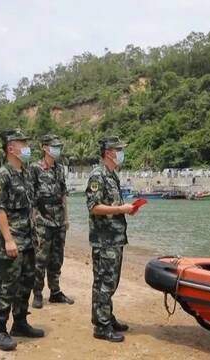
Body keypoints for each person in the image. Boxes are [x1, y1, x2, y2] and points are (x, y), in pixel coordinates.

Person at [0, 129, 44, 351]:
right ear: (11, 148)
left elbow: (30, 206)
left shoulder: (27, 173)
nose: (27, 147)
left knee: (26, 282)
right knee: (5, 285)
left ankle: (20, 323)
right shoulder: (2, 175)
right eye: (23, 143)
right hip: (11, 242)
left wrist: (35, 231)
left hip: (28, 240)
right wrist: (9, 240)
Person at [85, 135, 133, 342]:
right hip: (104, 240)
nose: (121, 153)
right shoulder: (98, 176)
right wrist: (121, 208)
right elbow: (94, 207)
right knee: (104, 282)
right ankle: (102, 327)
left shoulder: (112, 175)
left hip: (115, 238)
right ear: (108, 153)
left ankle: (105, 316)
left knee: (111, 281)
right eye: (118, 149)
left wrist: (126, 210)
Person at [30, 134, 74, 309]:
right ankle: (38, 293)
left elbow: (63, 194)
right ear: (45, 148)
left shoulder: (60, 168)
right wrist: (32, 219)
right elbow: (31, 196)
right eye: (54, 146)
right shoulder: (35, 168)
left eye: (58, 146)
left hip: (58, 220)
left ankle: (55, 292)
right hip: (42, 219)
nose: (57, 150)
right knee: (41, 258)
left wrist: (66, 218)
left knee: (57, 258)